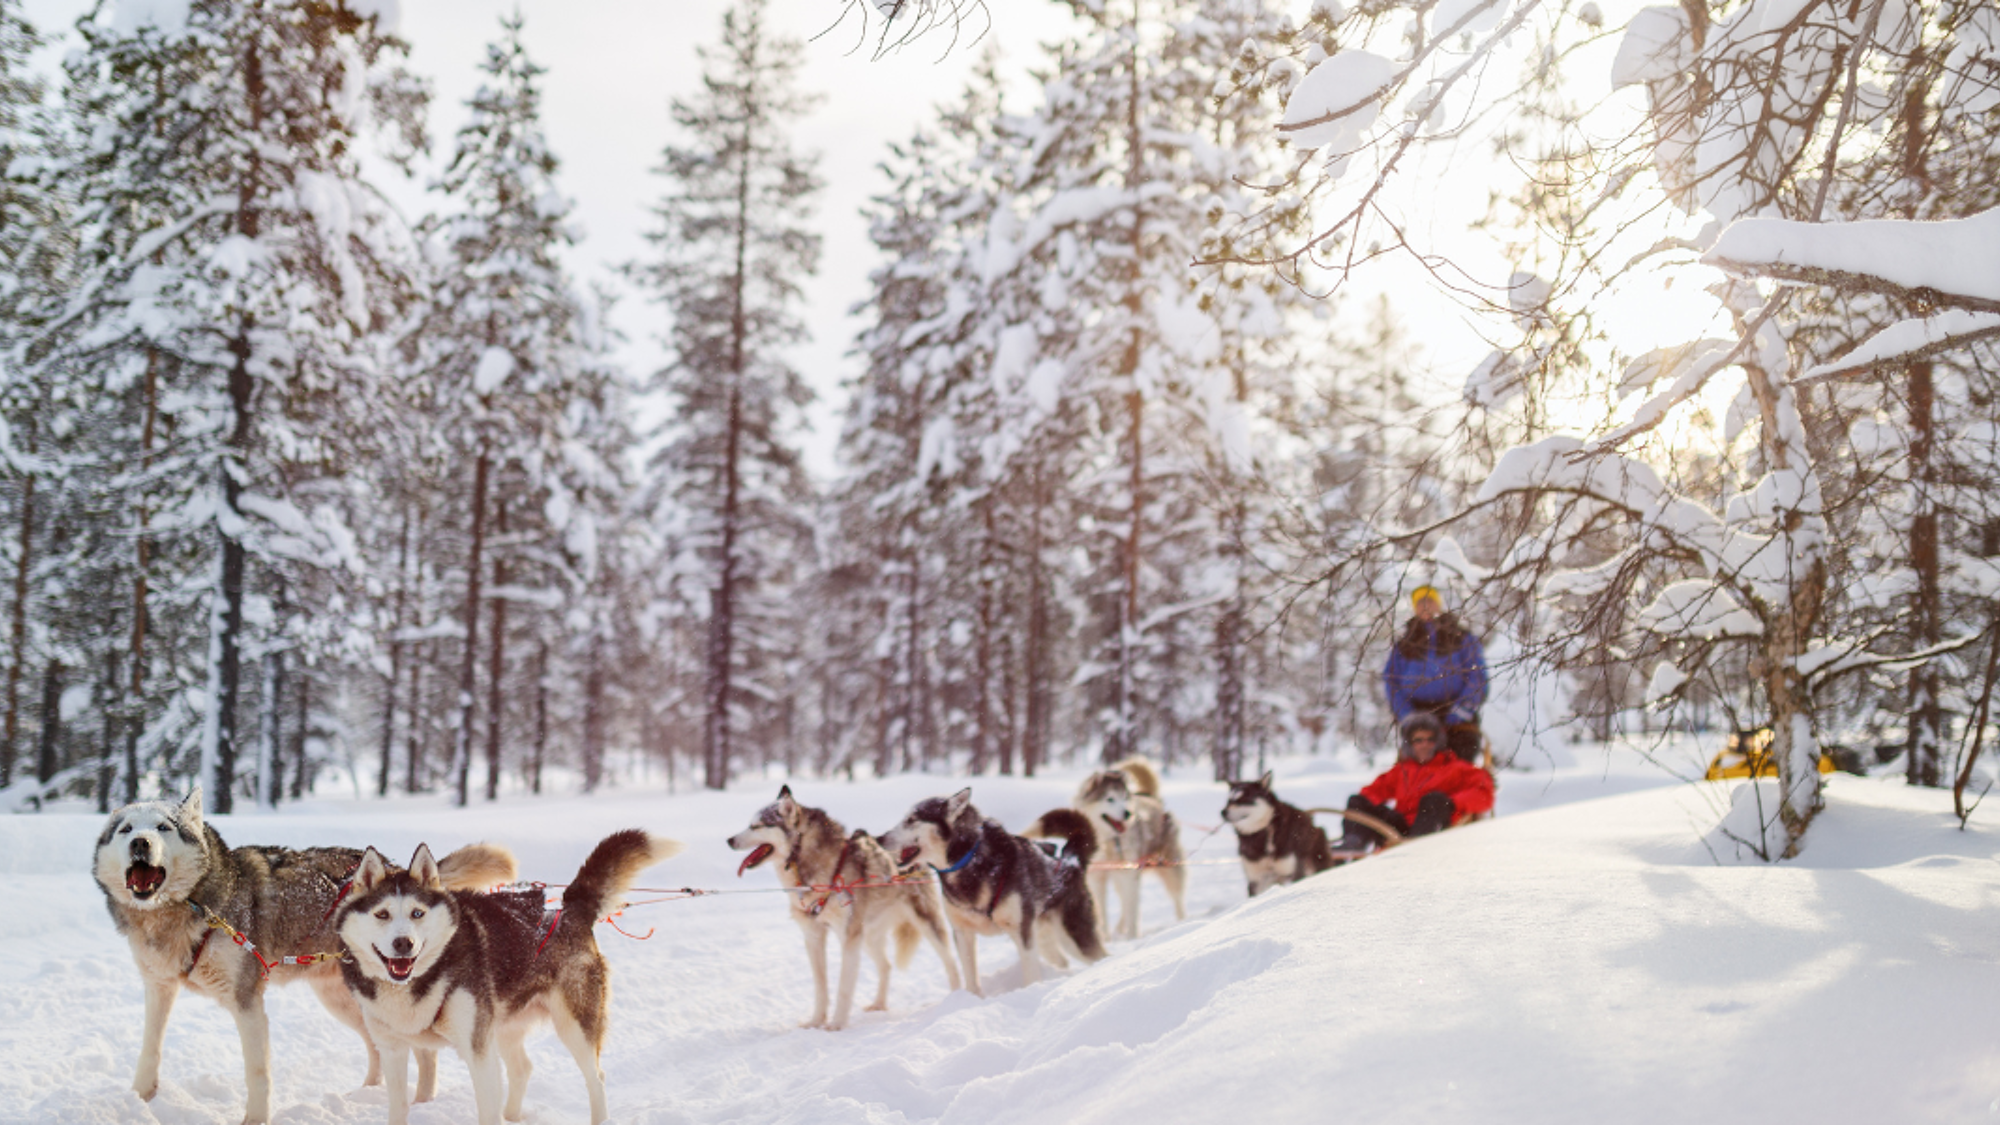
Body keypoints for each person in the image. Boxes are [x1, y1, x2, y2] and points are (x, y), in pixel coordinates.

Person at [1336, 712, 1495, 852]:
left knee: (1434, 799)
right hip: (1400, 827)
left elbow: (1484, 793)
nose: (1424, 745)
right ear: (1410, 744)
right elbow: (1373, 792)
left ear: (1438, 742)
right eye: (1418, 740)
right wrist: (1365, 808)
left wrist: (1452, 803)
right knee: (1358, 801)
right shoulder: (1402, 770)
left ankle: (1417, 846)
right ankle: (1353, 843)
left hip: (1435, 828)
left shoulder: (1455, 767)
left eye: (1430, 740)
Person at [1382, 584, 1489, 763]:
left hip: (1458, 717)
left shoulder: (1461, 637)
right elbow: (1391, 681)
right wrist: (1407, 714)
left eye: (1429, 601)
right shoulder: (1405, 643)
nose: (1425, 606)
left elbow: (1477, 676)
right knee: (1417, 771)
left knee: (1459, 767)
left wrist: (1463, 709)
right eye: (1420, 603)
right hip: (1418, 715)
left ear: (1438, 604)